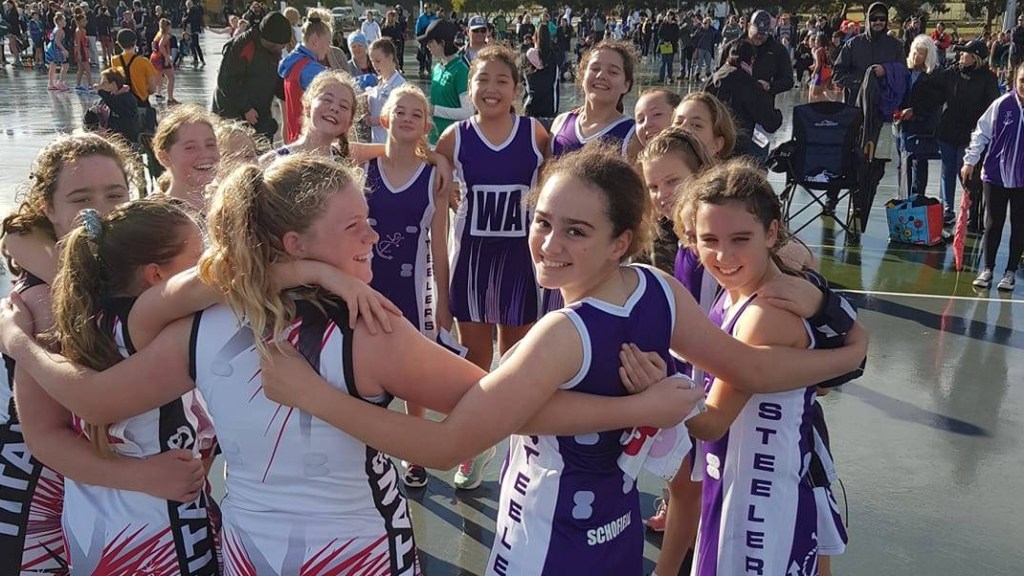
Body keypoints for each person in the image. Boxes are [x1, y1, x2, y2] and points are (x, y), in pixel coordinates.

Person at [0, 152, 694, 575]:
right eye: (355, 225)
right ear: (296, 245)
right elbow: (507, 407)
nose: (375, 233)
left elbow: (96, 400)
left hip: (249, 553)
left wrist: (18, 342)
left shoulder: (200, 325)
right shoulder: (374, 333)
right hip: (356, 553)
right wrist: (638, 408)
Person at [250, 147, 868, 576]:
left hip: (546, 541)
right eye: (543, 222)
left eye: (576, 231)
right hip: (617, 533)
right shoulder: (658, 290)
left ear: (619, 241)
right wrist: (851, 349)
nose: (548, 243)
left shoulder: (560, 335)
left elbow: (445, 446)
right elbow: (750, 370)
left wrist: (315, 396)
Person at [23, 200, 219, 574]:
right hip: (158, 530)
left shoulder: (76, 322)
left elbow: (45, 435)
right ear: (156, 276)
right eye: (198, 256)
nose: (206, 262)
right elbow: (225, 276)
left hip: (91, 528)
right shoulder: (143, 322)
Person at [0, 134, 164, 575]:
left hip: (100, 498)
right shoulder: (44, 301)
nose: (100, 211)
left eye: (115, 194)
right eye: (80, 199)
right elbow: (46, 434)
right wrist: (145, 477)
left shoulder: (113, 274)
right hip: (35, 497)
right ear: (48, 209)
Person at [434, 45, 550, 488]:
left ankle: (521, 453)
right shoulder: (455, 138)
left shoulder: (535, 134)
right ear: (470, 87)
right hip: (473, 262)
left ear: (516, 89)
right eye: (483, 79)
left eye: (502, 80)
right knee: (476, 364)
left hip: (520, 262)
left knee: (518, 362)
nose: (492, 88)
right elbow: (425, 165)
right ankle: (474, 449)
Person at [365, 85, 452, 487]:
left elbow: (440, 244)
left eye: (417, 114)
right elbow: (341, 147)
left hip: (411, 288)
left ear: (426, 126)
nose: (407, 118)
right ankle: (371, 445)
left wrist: (444, 300)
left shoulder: (433, 178)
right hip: (365, 284)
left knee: (411, 371)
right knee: (364, 363)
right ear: (385, 117)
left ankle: (414, 451)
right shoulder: (363, 167)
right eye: (400, 111)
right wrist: (435, 153)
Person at [966, 64, 1024, 292]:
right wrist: (970, 161)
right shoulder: (1001, 104)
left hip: (1021, 180)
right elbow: (981, 133)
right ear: (1015, 80)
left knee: (1019, 225)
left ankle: (1010, 272)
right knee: (993, 223)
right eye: (1022, 80)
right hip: (995, 175)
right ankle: (987, 269)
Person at [934, 40, 1001, 223]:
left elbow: (993, 107)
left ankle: (970, 208)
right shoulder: (951, 73)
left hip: (970, 133)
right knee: (947, 170)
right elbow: (934, 90)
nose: (961, 55)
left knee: (964, 171)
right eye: (961, 53)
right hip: (947, 129)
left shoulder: (988, 78)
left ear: (975, 57)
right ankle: (947, 208)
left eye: (965, 53)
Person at [211, 11, 291, 143]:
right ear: (271, 41)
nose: (282, 49)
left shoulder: (273, 51)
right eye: (281, 45)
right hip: (233, 112)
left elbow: (274, 79)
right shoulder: (243, 46)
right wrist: (246, 108)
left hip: (260, 111)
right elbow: (226, 81)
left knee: (263, 145)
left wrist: (289, 94)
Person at [703, 40, 783, 163]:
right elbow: (769, 121)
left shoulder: (712, 79)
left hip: (713, 145)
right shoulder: (749, 84)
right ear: (752, 59)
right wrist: (778, 115)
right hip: (740, 147)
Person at [893, 34, 944, 200]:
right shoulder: (905, 72)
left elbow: (936, 101)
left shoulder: (934, 75)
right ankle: (903, 197)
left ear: (928, 55)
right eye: (915, 52)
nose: (917, 56)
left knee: (919, 162)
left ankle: (916, 198)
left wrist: (915, 111)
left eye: (921, 53)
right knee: (902, 162)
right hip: (901, 124)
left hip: (922, 125)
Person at [151, 104, 220, 208]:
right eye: (190, 148)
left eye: (210, 145)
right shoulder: (155, 214)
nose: (205, 154)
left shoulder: (227, 208)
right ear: (164, 158)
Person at [833, 2, 903, 105]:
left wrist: (887, 70)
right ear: (868, 20)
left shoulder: (896, 45)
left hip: (886, 105)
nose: (878, 22)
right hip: (857, 104)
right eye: (874, 18)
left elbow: (904, 72)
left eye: (882, 19)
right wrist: (861, 83)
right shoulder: (853, 44)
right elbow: (837, 73)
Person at [718, 10, 794, 105]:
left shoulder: (777, 50)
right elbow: (719, 75)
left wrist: (770, 86)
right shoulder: (731, 47)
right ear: (748, 27)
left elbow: (788, 80)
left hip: (761, 105)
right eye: (756, 32)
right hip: (733, 105)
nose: (759, 37)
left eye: (763, 34)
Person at [278, 11, 331, 144]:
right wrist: (369, 80)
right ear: (314, 41)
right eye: (328, 43)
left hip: (295, 137)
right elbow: (340, 84)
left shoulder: (292, 62)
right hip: (309, 140)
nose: (328, 48)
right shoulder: (310, 69)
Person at [419, 18, 471, 144]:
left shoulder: (461, 71)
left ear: (442, 43)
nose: (427, 46)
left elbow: (468, 112)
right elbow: (439, 99)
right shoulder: (437, 68)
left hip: (454, 140)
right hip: (433, 137)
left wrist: (434, 110)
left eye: (431, 42)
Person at [365, 37, 406, 144]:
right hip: (376, 142)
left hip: (392, 144)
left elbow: (402, 115)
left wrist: (378, 120)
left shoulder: (400, 86)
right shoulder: (376, 82)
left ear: (391, 58)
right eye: (372, 61)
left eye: (378, 61)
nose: (374, 65)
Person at [94, 67, 140, 144]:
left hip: (126, 138)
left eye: (104, 83)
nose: (101, 85)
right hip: (113, 136)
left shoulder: (127, 97)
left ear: (113, 84)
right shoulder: (110, 97)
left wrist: (101, 91)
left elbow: (115, 105)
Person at [523, 23, 559, 118]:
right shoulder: (553, 58)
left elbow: (523, 81)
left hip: (530, 106)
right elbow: (555, 85)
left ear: (534, 38)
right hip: (549, 107)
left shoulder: (527, 57)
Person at [151, 17, 177, 104]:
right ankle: (170, 98)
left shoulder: (158, 34)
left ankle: (158, 93)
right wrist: (167, 57)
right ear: (168, 27)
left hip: (155, 56)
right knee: (171, 77)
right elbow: (161, 46)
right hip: (161, 57)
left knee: (159, 76)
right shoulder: (166, 35)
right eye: (170, 27)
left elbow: (154, 44)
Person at [46, 12, 69, 90]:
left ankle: (51, 83)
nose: (65, 22)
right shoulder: (60, 30)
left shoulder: (55, 29)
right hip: (57, 50)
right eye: (63, 21)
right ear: (59, 21)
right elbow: (57, 41)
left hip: (52, 48)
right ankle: (60, 82)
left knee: (53, 66)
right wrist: (64, 50)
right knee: (65, 65)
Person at [655, 11, 679, 84]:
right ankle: (661, 78)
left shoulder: (675, 26)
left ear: (672, 16)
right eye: (667, 15)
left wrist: (670, 42)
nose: (668, 16)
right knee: (663, 62)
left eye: (669, 15)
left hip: (671, 45)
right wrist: (664, 41)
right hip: (664, 45)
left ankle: (670, 77)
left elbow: (676, 36)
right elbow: (659, 34)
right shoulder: (663, 24)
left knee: (669, 62)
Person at [184, 0, 205, 67]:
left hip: (194, 30)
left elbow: (191, 19)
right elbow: (183, 20)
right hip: (189, 30)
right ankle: (195, 59)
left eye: (190, 4)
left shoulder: (195, 10)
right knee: (191, 45)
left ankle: (201, 59)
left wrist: (185, 19)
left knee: (196, 44)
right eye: (188, 5)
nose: (189, 6)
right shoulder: (187, 11)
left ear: (192, 4)